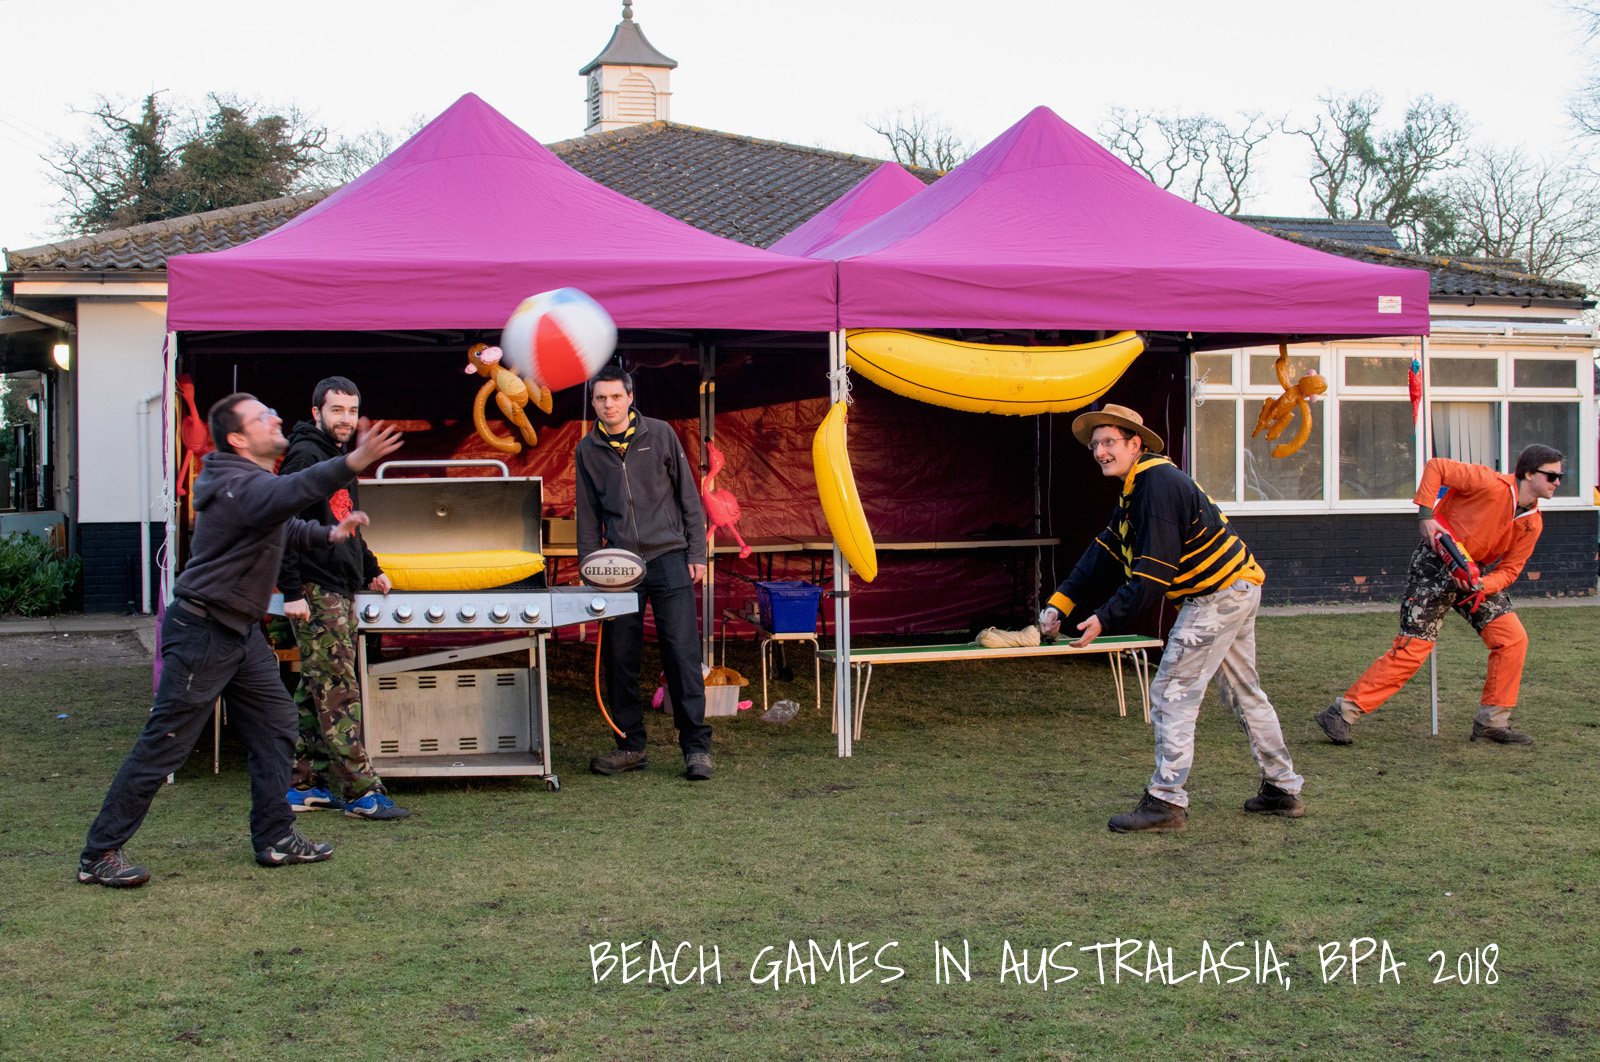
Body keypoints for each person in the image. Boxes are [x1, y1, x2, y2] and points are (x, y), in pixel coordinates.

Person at [77, 395, 403, 887]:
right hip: (203, 632)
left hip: (239, 632)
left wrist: (329, 536)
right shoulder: (234, 481)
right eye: (261, 418)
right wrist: (353, 462)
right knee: (164, 745)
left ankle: (276, 837)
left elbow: (282, 523)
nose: (275, 418)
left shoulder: (248, 483)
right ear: (237, 438)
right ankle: (99, 854)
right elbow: (290, 494)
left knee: (277, 725)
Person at [1039, 404, 1304, 833]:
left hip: (1215, 596)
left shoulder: (1155, 486)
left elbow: (1151, 577)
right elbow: (1106, 550)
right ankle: (1283, 787)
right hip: (1236, 587)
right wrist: (1061, 604)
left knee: (1170, 691)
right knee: (1243, 693)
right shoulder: (1137, 486)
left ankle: (1166, 800)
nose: (1100, 452)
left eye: (1109, 442)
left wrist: (1104, 619)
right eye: (1095, 445)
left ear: (1135, 444)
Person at [1316, 445, 1562, 747]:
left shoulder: (1532, 522)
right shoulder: (1488, 482)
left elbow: (1510, 570)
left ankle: (1492, 723)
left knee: (1513, 639)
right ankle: (1341, 713)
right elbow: (1437, 467)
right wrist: (1426, 515)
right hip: (1434, 565)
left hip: (1475, 577)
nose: (1557, 483)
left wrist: (1483, 585)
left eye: (1559, 476)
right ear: (1528, 473)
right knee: (1413, 648)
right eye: (1551, 476)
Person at [278, 377, 409, 820]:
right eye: (337, 410)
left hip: (338, 586)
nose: (346, 419)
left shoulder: (338, 458)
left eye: (351, 411)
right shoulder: (304, 455)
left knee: (316, 691)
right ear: (316, 412)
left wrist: (370, 569)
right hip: (316, 590)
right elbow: (282, 525)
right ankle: (361, 793)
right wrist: (291, 592)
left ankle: (300, 786)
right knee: (338, 693)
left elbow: (344, 523)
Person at [575, 364, 714, 781]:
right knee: (620, 659)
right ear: (594, 402)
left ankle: (696, 749)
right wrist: (589, 569)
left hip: (670, 558)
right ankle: (631, 747)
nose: (608, 404)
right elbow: (587, 515)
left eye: (615, 396)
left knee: (682, 655)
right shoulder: (587, 449)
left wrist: (696, 551)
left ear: (630, 397)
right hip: (617, 567)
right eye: (601, 398)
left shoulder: (661, 434)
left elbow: (689, 496)